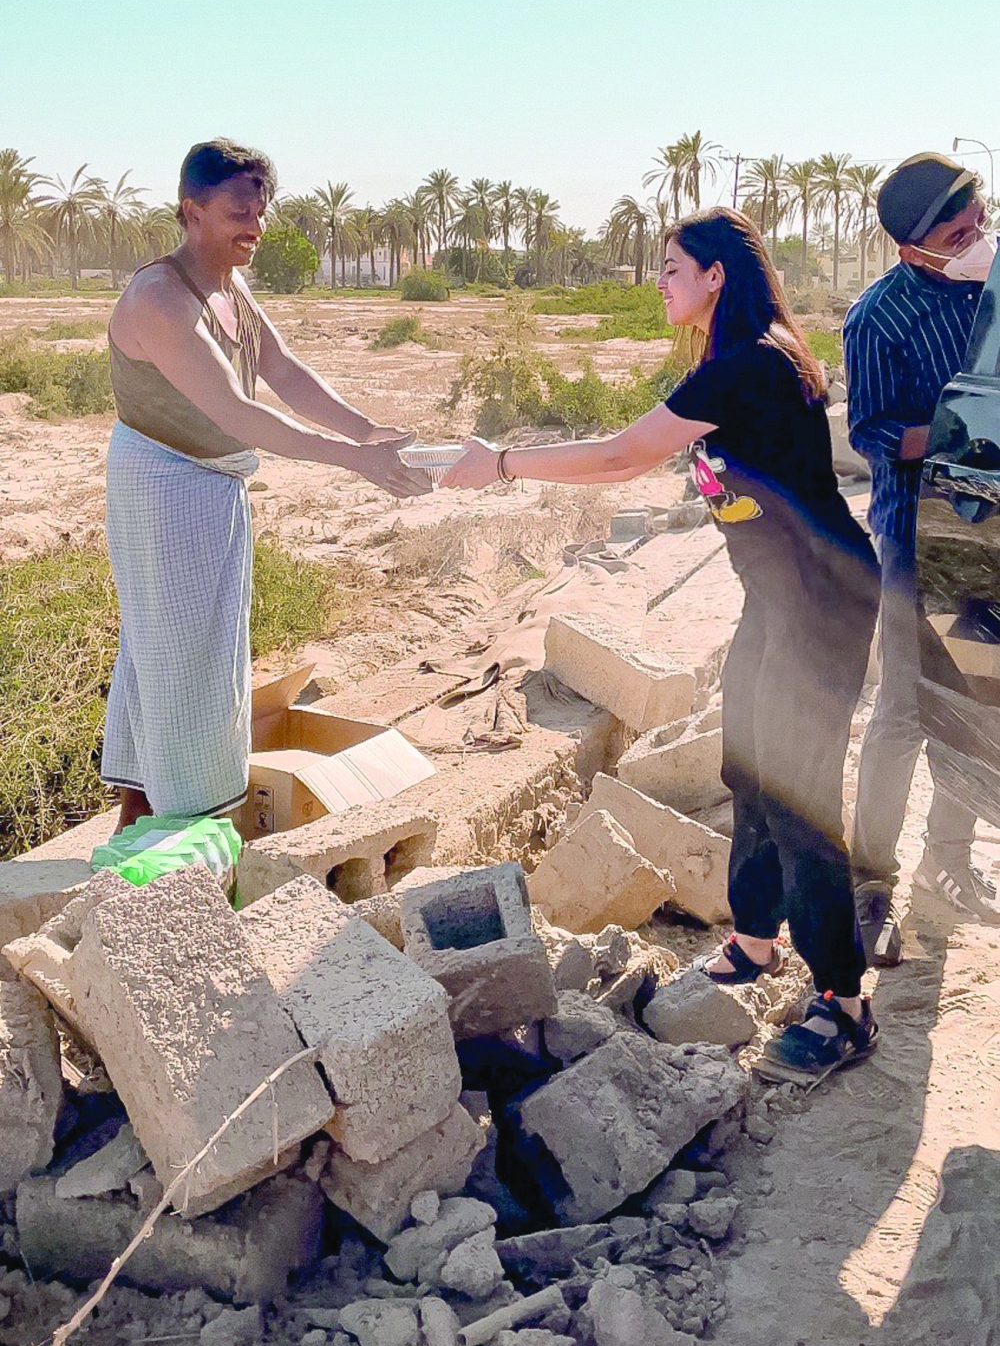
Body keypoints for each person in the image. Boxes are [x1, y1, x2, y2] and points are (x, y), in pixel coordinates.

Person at [443, 208, 880, 1086]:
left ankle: (845, 1001)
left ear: (717, 275)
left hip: (822, 608)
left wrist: (500, 464)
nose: (660, 281)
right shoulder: (737, 360)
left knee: (798, 801)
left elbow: (617, 457)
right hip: (779, 602)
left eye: (673, 266)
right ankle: (756, 939)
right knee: (746, 770)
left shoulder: (751, 364)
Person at [103, 138, 428, 830]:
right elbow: (241, 413)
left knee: (185, 650)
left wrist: (366, 431)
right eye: (237, 212)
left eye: (261, 211)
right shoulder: (162, 298)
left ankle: (146, 824)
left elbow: (282, 371)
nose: (254, 226)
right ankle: (176, 823)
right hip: (164, 488)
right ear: (191, 211)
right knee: (178, 656)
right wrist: (354, 461)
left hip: (209, 483)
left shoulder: (230, 284)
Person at [845, 152, 1000, 961]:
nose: (978, 239)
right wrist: (961, 438)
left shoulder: (994, 294)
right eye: (958, 233)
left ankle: (948, 863)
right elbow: (871, 433)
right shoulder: (878, 319)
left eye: (980, 223)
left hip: (992, 535)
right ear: (913, 248)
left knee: (978, 703)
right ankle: (870, 884)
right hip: (919, 540)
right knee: (905, 713)